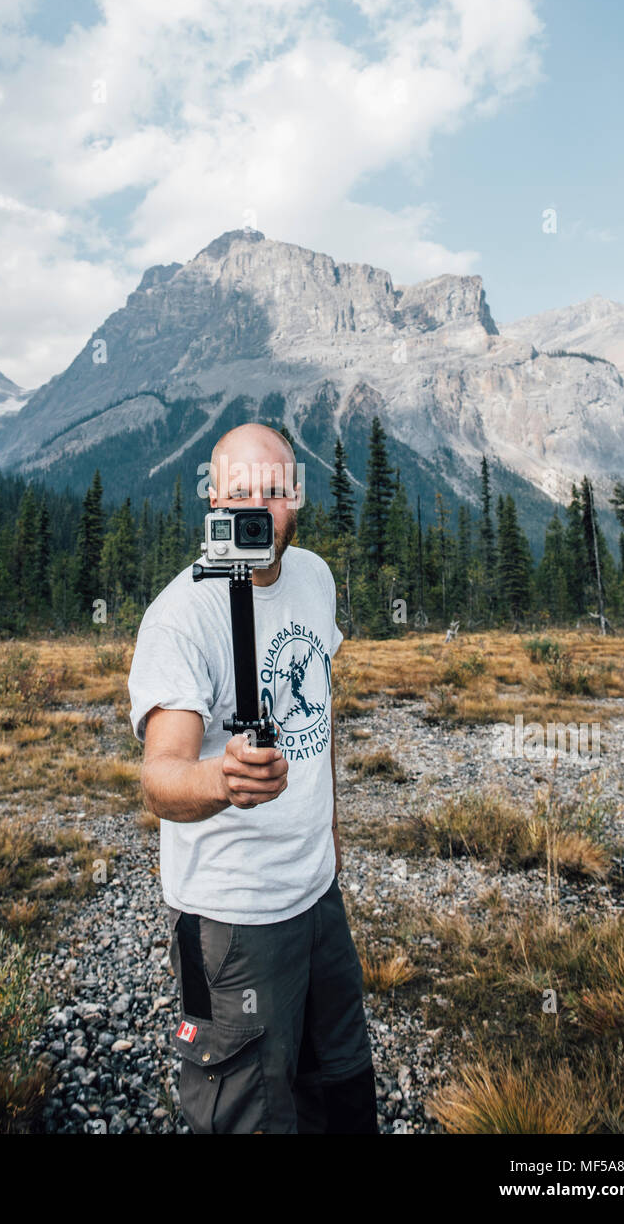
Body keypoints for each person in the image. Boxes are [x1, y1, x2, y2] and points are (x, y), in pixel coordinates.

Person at [127, 422, 378, 1135]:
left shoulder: (315, 577)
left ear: (296, 497)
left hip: (317, 898)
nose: (258, 507)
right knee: (249, 1111)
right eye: (241, 492)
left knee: (340, 1087)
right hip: (233, 921)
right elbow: (160, 780)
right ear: (213, 500)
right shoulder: (182, 617)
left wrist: (328, 839)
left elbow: (319, 709)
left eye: (274, 490)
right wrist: (222, 779)